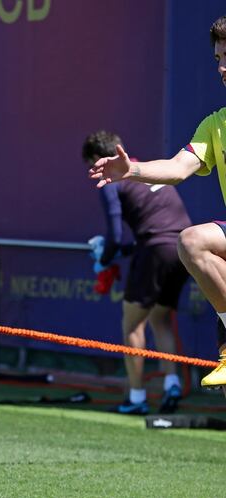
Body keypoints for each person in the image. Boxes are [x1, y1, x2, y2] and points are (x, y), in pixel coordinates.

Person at [90, 14, 226, 392]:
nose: (222, 67)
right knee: (192, 241)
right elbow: (177, 167)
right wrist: (130, 169)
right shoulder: (215, 124)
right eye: (217, 58)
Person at [82, 130, 191, 414]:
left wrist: (105, 257)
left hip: (158, 249)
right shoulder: (150, 170)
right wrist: (120, 252)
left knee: (132, 325)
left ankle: (137, 398)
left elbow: (116, 236)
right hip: (183, 249)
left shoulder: (111, 179)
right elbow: (155, 232)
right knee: (161, 318)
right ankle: (171, 384)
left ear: (97, 159)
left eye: (91, 165)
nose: (93, 171)